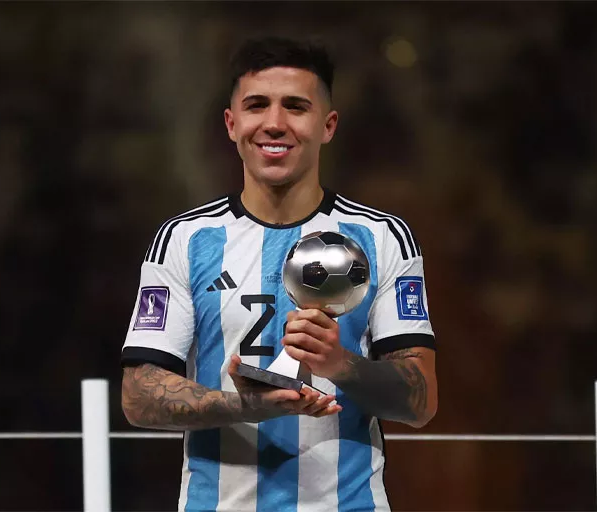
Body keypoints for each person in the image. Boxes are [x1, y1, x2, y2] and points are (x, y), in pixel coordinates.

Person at [121, 36, 438, 512]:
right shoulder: (185, 239)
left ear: (327, 126)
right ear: (231, 124)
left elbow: (421, 402)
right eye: (256, 105)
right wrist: (246, 406)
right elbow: (138, 395)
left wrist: (339, 363)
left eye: (295, 106)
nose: (274, 122)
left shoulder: (382, 238)